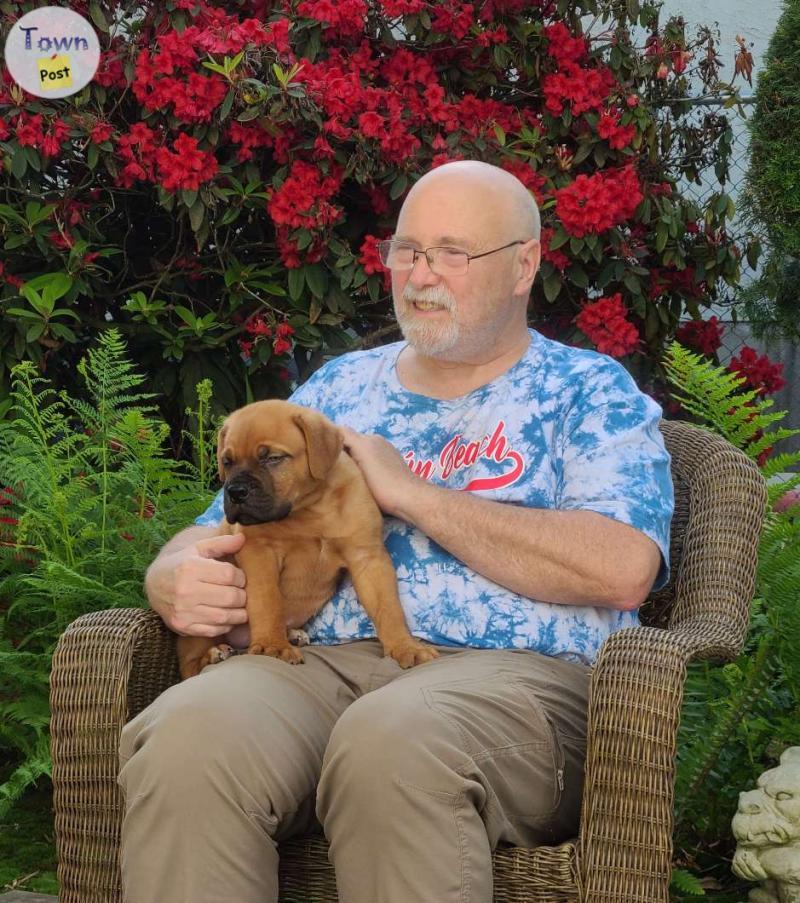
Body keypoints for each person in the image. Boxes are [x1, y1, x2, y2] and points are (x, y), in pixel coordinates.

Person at [118, 160, 674, 903]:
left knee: (394, 742)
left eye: (451, 251)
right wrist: (170, 574)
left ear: (523, 266)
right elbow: (212, 526)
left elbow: (623, 565)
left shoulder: (589, 392)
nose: (419, 274)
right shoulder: (338, 386)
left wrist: (411, 493)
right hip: (315, 665)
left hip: (514, 682)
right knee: (187, 737)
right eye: (406, 250)